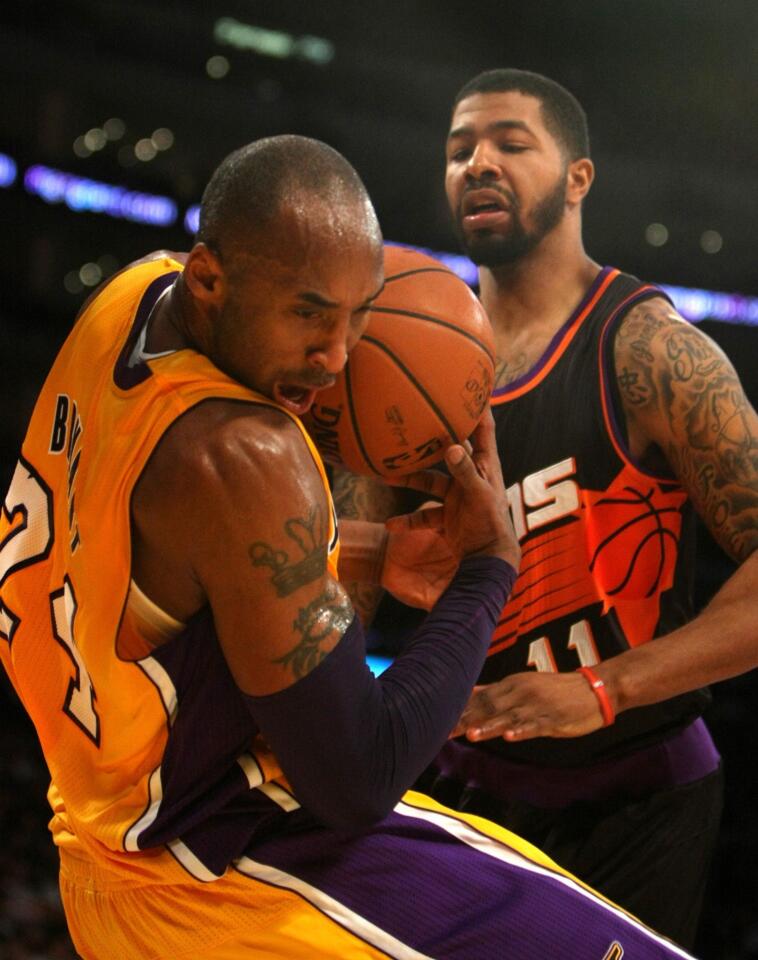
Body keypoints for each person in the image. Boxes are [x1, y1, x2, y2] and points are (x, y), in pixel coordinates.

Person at [0, 134, 696, 960]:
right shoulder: (245, 453)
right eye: (309, 314)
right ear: (210, 278)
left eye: (361, 314)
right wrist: (487, 571)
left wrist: (363, 549)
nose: (336, 359)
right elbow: (360, 777)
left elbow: (157, 555)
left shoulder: (130, 298)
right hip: (216, 869)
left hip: (104, 831)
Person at [416, 68, 758, 949]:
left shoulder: (648, 349)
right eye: (460, 151)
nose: (479, 164)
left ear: (579, 178)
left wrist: (602, 691)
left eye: (510, 145)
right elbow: (345, 556)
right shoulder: (418, 359)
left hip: (634, 793)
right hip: (464, 778)